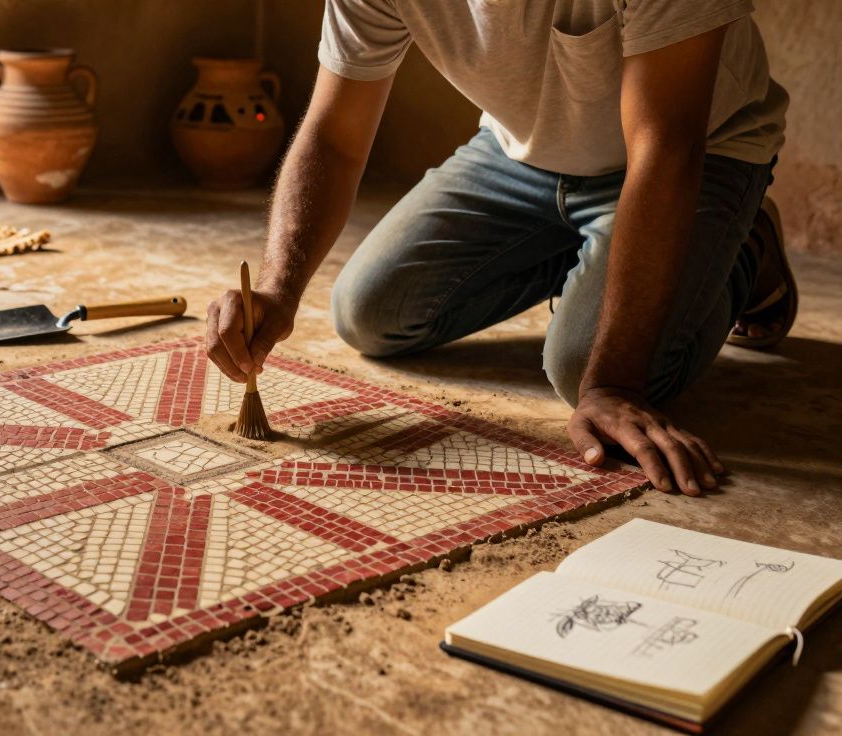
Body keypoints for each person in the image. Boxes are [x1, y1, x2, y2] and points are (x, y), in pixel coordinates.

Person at [205, 0, 794, 497]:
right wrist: (279, 286)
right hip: (525, 157)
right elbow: (334, 137)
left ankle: (745, 245)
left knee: (583, 371)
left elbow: (667, 148)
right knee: (369, 312)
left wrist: (612, 384)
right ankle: (595, 253)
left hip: (697, 150)